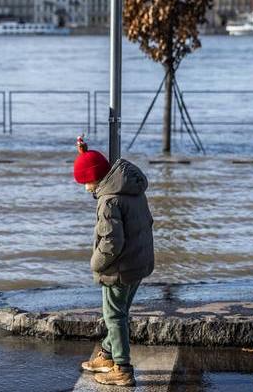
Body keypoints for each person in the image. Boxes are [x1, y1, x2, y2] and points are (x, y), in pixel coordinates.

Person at [73, 136, 154, 387]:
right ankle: (108, 355)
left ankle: (123, 369)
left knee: (114, 316)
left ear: (94, 178)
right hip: (138, 263)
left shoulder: (108, 202)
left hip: (119, 268)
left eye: (85, 182)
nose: (86, 188)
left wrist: (95, 264)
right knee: (119, 312)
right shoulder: (129, 188)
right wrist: (85, 155)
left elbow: (111, 243)